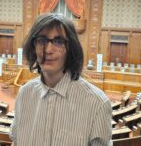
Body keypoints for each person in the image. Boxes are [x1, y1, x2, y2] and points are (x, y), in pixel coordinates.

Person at [9, 13, 112, 146]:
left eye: (58, 42)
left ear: (71, 49)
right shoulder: (24, 93)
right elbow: (16, 142)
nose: (48, 50)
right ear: (34, 47)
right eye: (42, 40)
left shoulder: (98, 104)